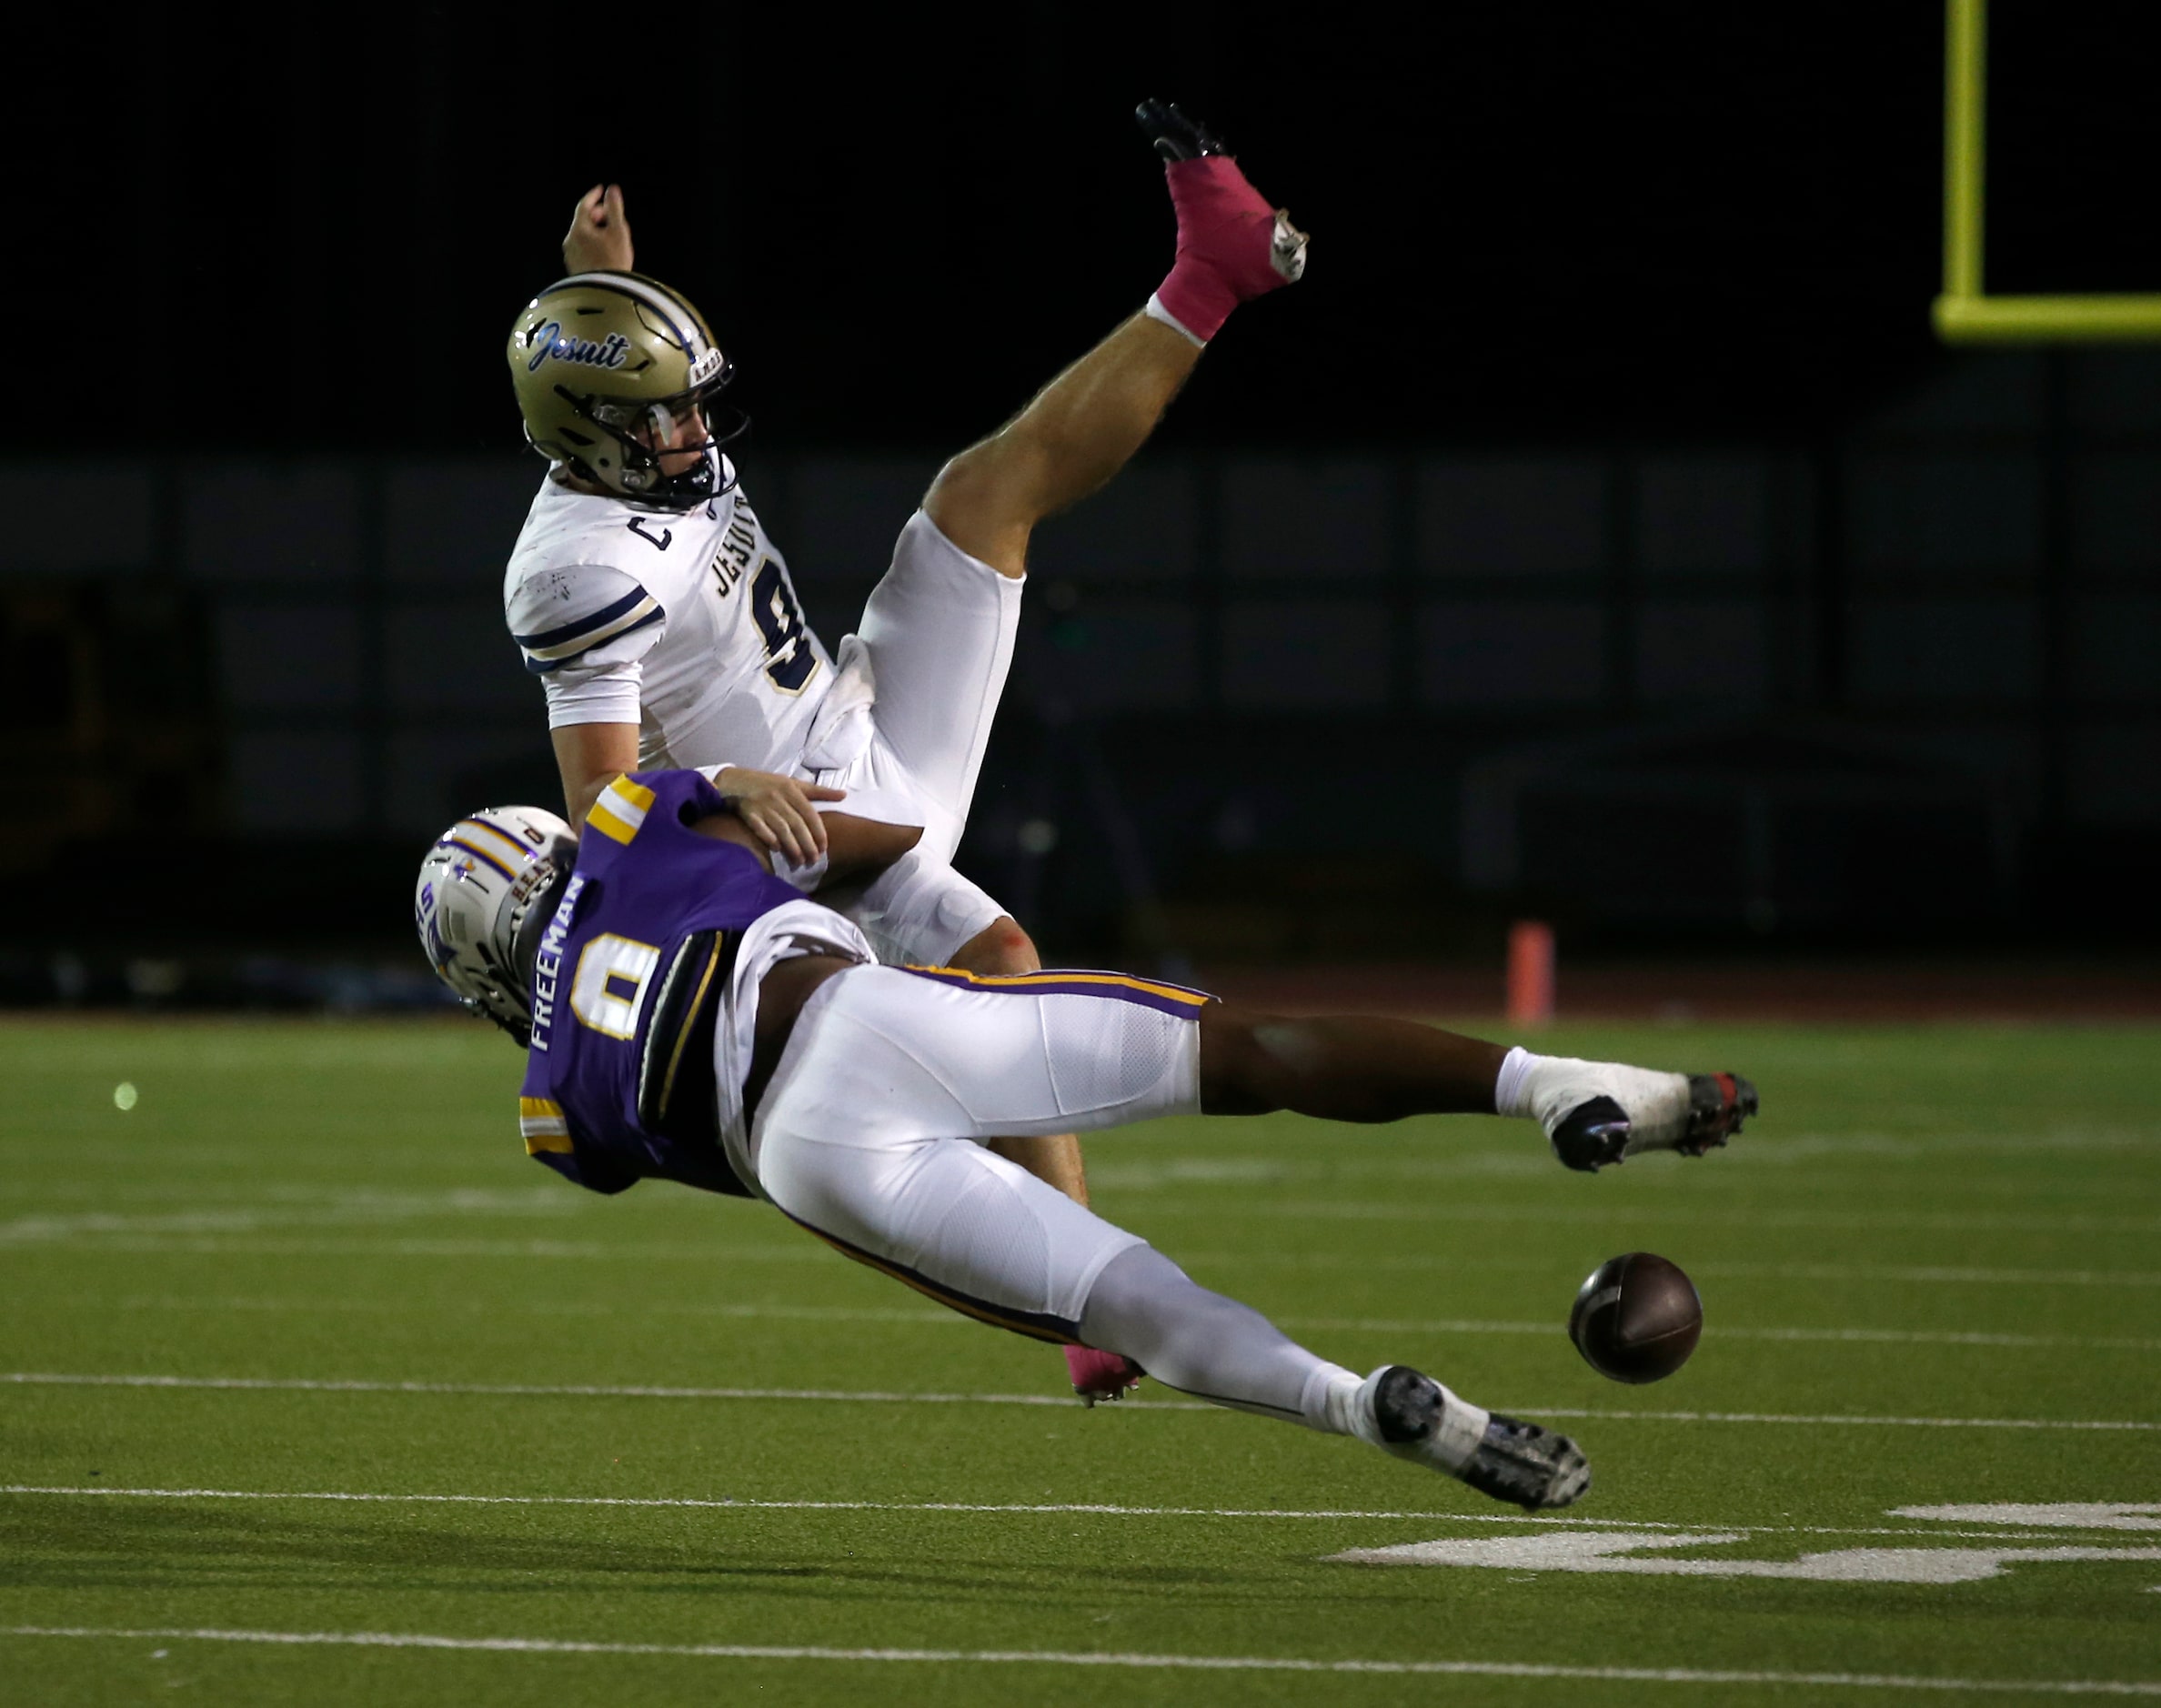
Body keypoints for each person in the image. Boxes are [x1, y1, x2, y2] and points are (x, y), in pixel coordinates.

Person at [499, 103, 1308, 1400]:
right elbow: (601, 805)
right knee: (1002, 958)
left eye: (691, 406)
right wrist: (724, 792)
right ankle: (1091, 1300)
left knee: (982, 497)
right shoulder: (575, 568)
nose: (693, 438)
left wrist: (604, 275)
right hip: (803, 830)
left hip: (848, 709)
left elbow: (611, 360)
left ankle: (1212, 273)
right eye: (663, 422)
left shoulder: (630, 440)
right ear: (595, 435)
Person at [414, 772, 1758, 1512]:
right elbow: (888, 844)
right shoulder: (629, 816)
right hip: (869, 1013)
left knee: (1129, 1300)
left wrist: (1031, 1316)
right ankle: (1564, 1085)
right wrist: (764, 809)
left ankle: (1363, 1406)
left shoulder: (549, 1112)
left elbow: (760, 1183)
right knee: (1246, 1050)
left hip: (806, 1152)